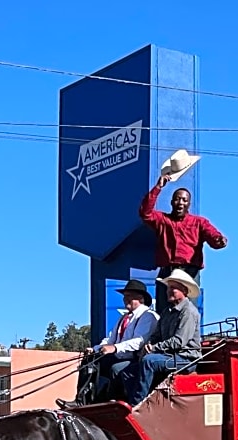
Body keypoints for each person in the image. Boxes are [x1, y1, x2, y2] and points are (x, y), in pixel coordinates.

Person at [139, 152, 226, 314]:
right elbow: (145, 213)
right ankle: (164, 338)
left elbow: (214, 238)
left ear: (189, 204)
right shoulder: (163, 220)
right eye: (177, 199)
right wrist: (158, 187)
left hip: (189, 272)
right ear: (172, 202)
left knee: (187, 312)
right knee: (164, 312)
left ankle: (186, 339)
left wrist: (219, 240)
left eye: (184, 200)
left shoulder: (199, 222)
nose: (180, 202)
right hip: (167, 271)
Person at [60, 279, 160, 407]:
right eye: (124, 297)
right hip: (119, 356)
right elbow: (110, 339)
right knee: (89, 361)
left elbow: (139, 341)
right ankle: (82, 400)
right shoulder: (124, 318)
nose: (125, 300)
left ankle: (114, 402)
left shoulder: (148, 316)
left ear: (140, 298)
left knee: (115, 369)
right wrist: (96, 349)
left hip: (135, 358)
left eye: (128, 296)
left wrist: (115, 348)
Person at [120, 269, 202, 406]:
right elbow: (156, 335)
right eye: (168, 288)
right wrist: (149, 344)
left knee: (149, 361)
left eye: (173, 288)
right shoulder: (166, 312)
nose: (169, 291)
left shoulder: (188, 311)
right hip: (169, 355)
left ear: (184, 291)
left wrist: (153, 348)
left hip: (186, 358)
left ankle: (137, 405)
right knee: (128, 371)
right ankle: (131, 402)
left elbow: (179, 342)